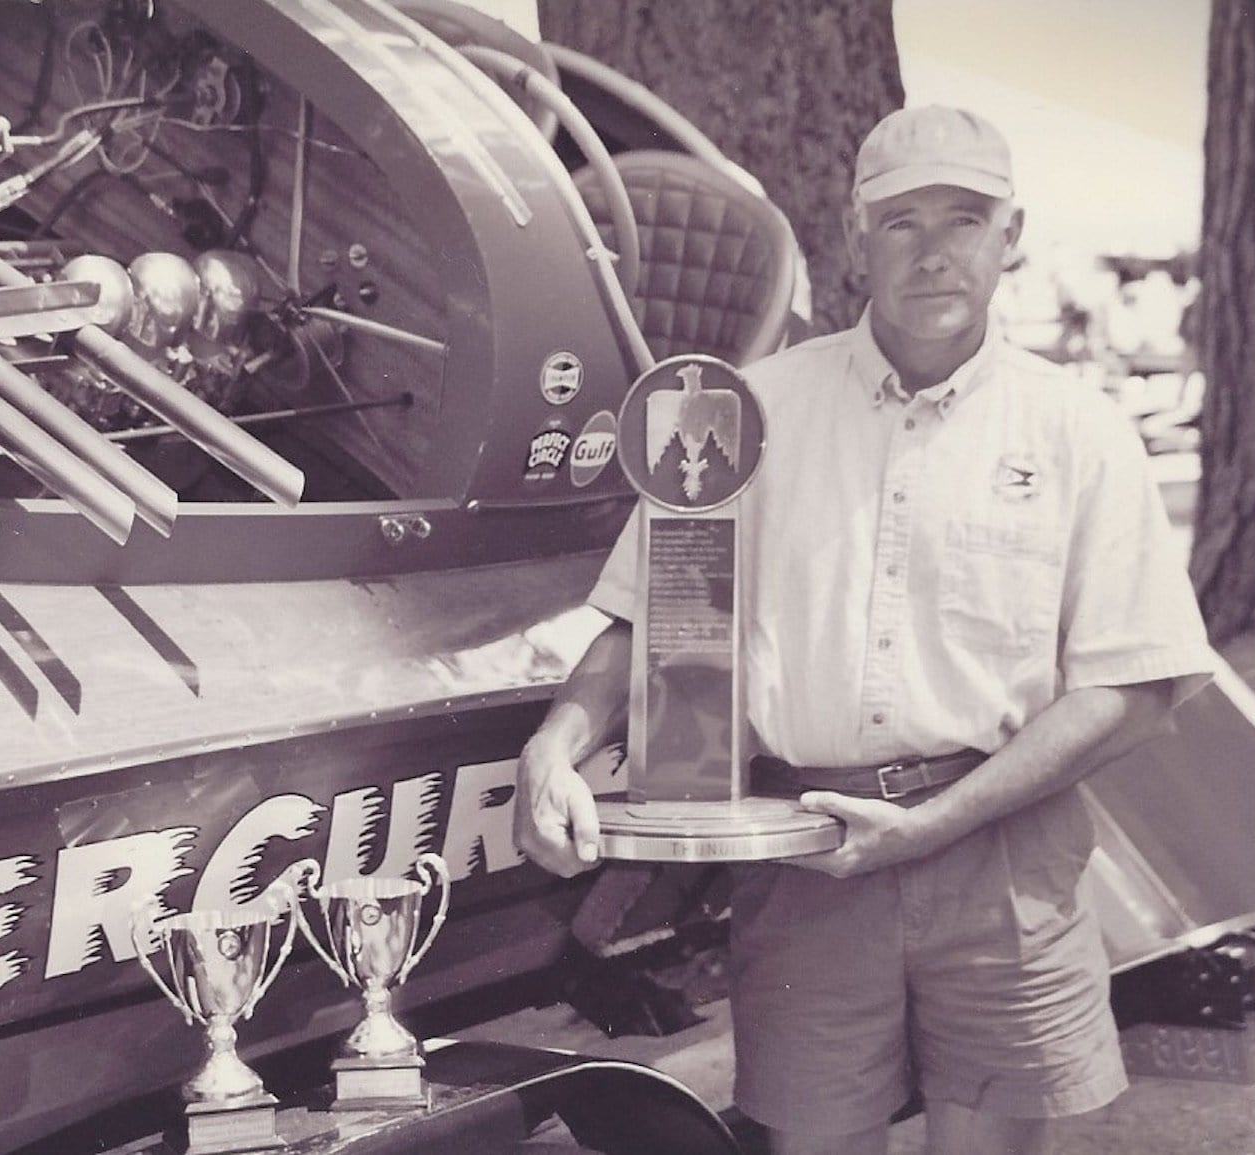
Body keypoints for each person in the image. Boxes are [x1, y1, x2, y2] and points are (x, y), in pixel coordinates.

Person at [514, 105, 1214, 1155]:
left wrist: (938, 822)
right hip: (806, 862)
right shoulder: (742, 412)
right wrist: (552, 746)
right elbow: (647, 627)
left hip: (1003, 859)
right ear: (853, 235)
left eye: (963, 220)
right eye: (901, 222)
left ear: (1009, 236)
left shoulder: (1077, 431)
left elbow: (1134, 688)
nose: (933, 253)